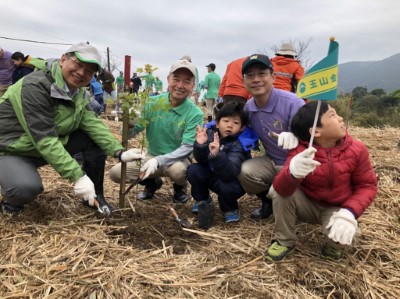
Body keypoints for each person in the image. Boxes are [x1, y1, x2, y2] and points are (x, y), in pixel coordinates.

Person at [0, 42, 144, 214]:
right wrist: (78, 177)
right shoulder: (35, 86)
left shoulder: (78, 92)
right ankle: (11, 196)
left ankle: (95, 196)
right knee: (24, 189)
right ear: (63, 59)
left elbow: (92, 123)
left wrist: (119, 152)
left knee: (92, 137)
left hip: (33, 149)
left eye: (89, 71)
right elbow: (45, 140)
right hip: (10, 149)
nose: (82, 73)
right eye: (78, 64)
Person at [265, 101, 378, 261]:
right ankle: (284, 240)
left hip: (336, 208)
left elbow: (367, 186)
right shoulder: (302, 151)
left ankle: (333, 247)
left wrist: (349, 212)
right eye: (332, 115)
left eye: (337, 113)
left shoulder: (357, 150)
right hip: (307, 204)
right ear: (316, 132)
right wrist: (291, 172)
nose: (340, 118)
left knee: (344, 237)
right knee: (281, 192)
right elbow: (282, 188)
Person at [110, 59, 204, 203]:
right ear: (168, 79)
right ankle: (152, 183)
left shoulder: (195, 113)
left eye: (186, 81)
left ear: (193, 86)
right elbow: (132, 132)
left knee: (179, 172)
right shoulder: (152, 103)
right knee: (116, 173)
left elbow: (187, 148)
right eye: (176, 79)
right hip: (151, 155)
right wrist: (129, 123)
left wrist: (159, 160)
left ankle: (179, 188)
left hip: (177, 160)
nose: (180, 85)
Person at [238, 54, 305, 220]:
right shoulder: (249, 108)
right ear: (244, 81)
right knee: (244, 171)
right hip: (272, 160)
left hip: (297, 162)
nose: (256, 79)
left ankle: (293, 203)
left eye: (262, 73)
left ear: (273, 77)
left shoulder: (293, 102)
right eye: (250, 75)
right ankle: (267, 201)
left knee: (292, 193)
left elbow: (309, 141)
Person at [187, 102, 257, 229]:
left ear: (241, 127)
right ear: (217, 123)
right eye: (226, 121)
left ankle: (229, 208)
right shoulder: (209, 134)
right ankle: (203, 200)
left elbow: (230, 173)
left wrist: (217, 155)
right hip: (214, 175)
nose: (230, 125)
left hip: (232, 181)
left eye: (236, 123)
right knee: (193, 170)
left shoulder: (239, 144)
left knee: (227, 187)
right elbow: (201, 160)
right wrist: (201, 145)